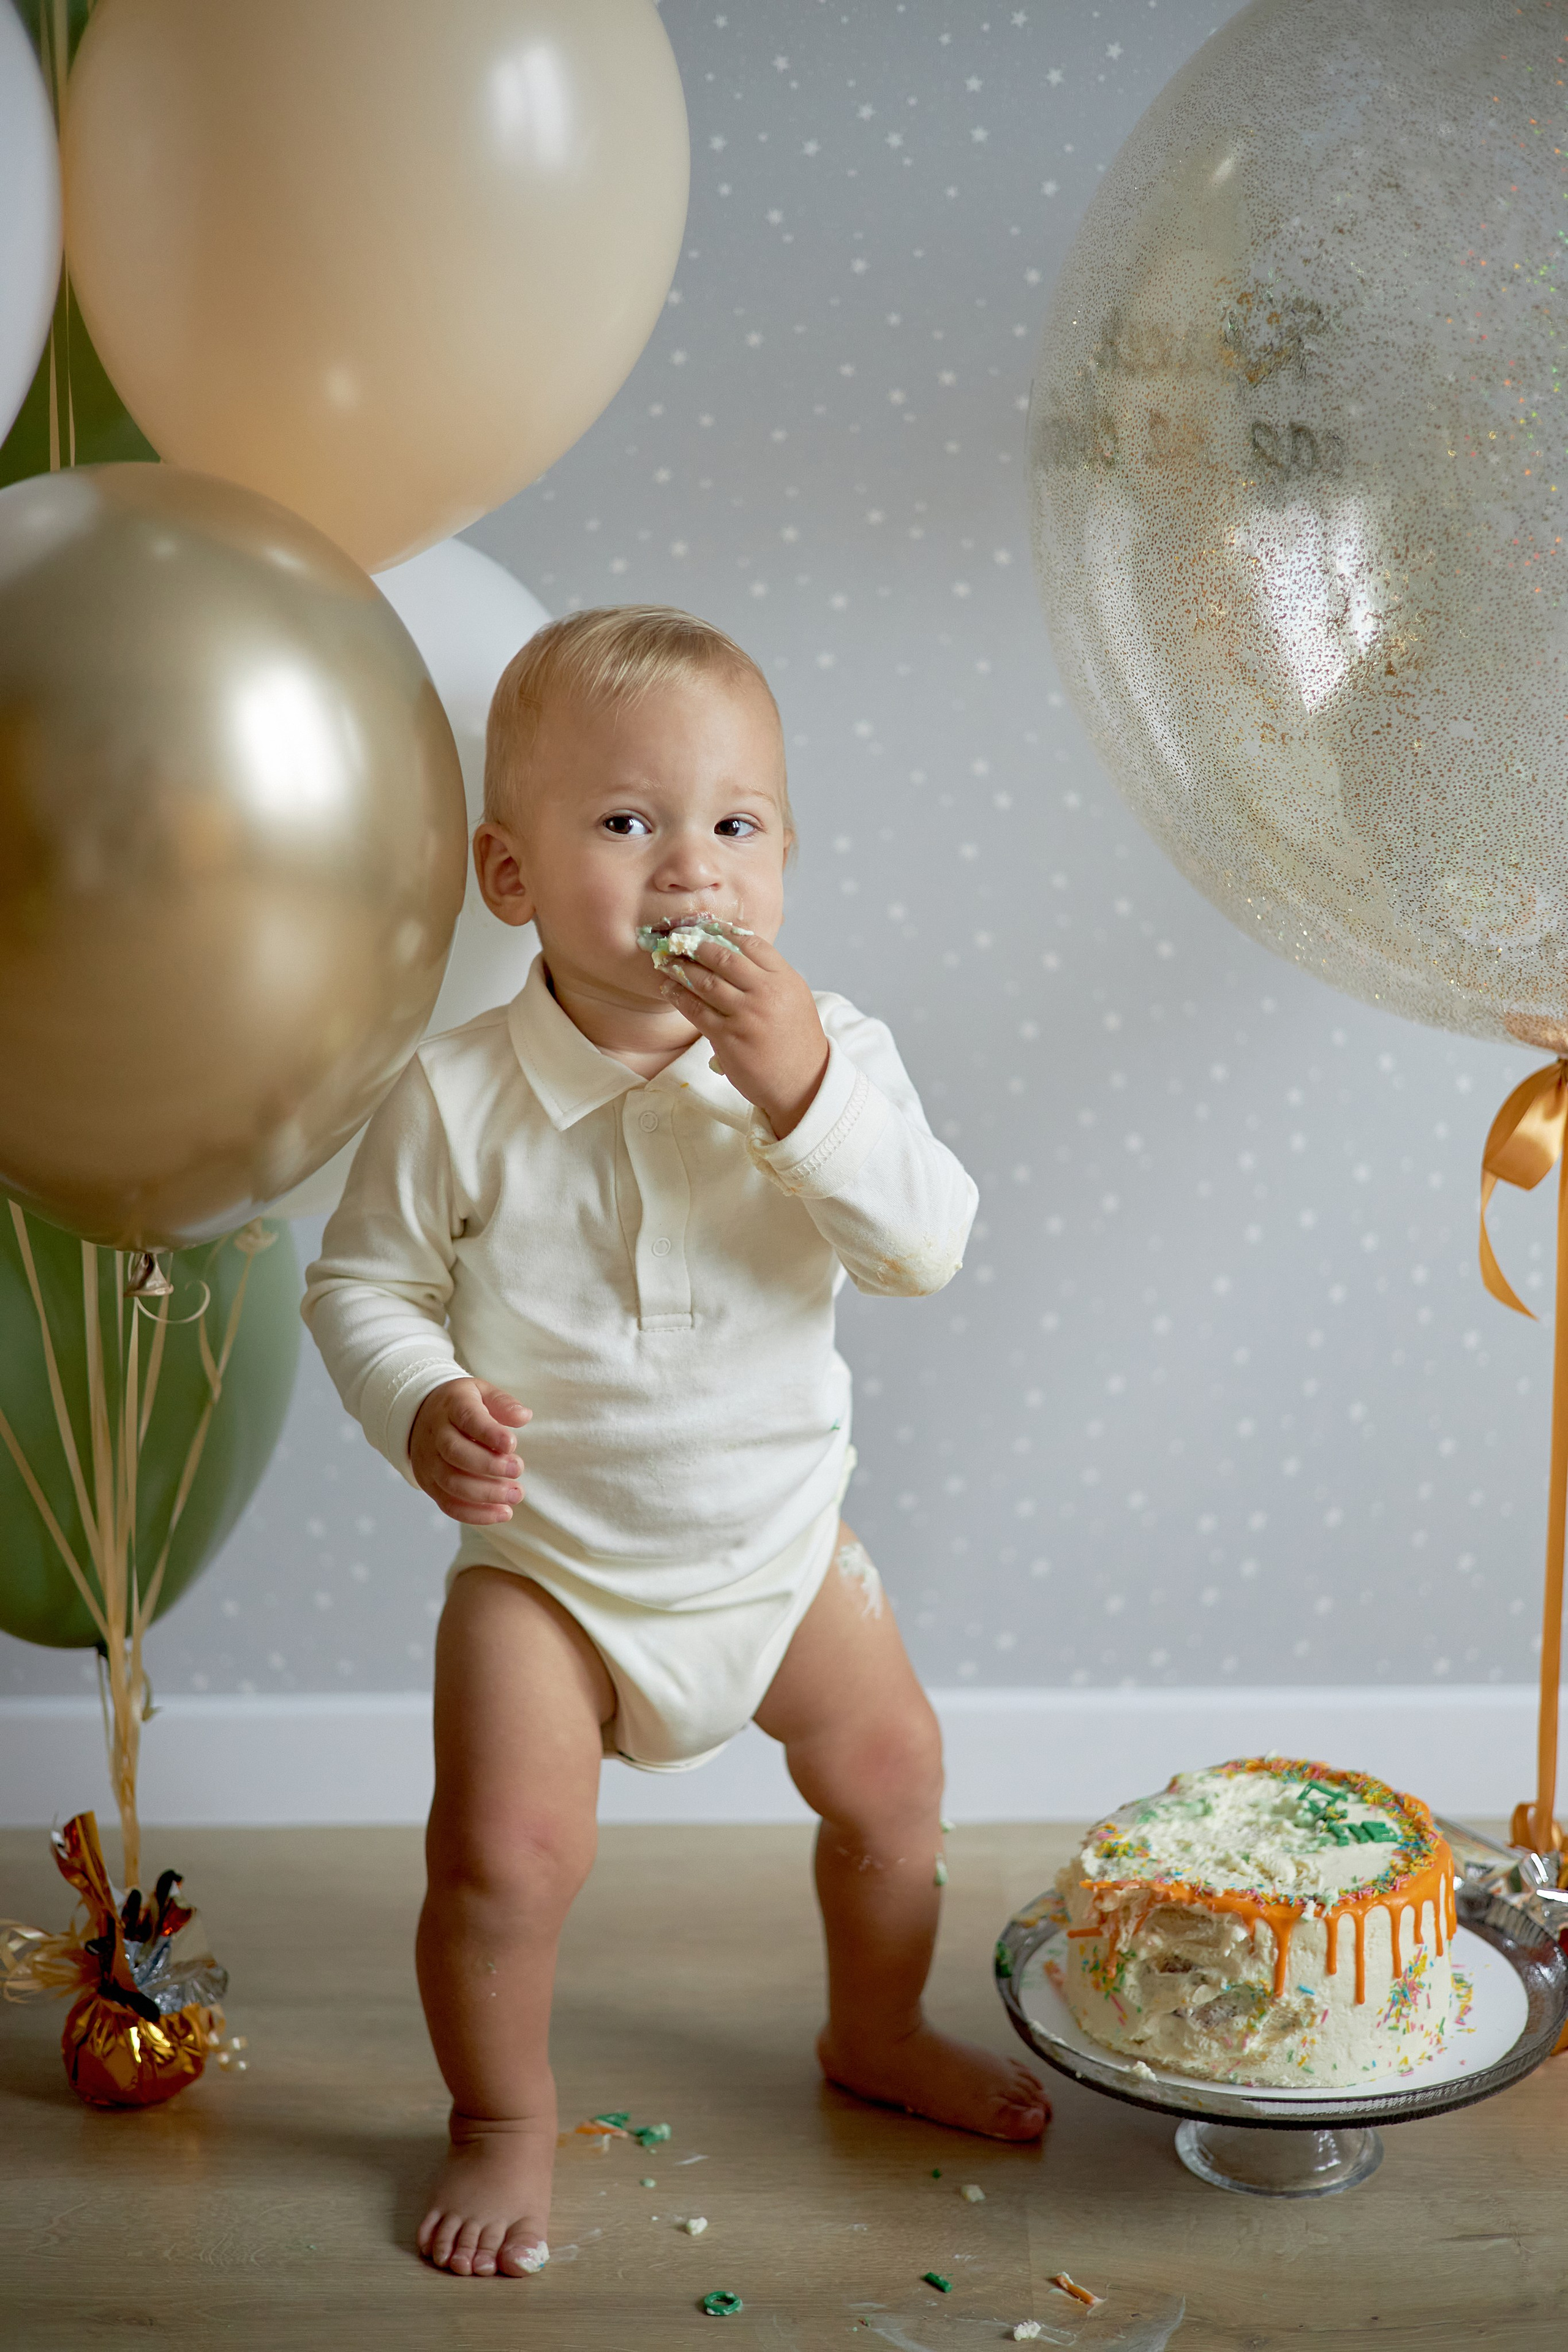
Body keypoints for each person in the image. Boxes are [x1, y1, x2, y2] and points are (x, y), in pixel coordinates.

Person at [302, 606, 1048, 2282]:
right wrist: (420, 1400)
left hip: (782, 1552)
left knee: (894, 1781)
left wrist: (800, 1098)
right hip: (550, 1572)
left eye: (736, 824)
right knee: (503, 1858)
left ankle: (878, 2030)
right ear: (511, 875)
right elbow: (362, 1287)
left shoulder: (832, 1060)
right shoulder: (456, 1095)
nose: (690, 869)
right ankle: (498, 2115)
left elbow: (923, 1245)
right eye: (628, 822)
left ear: (786, 858)